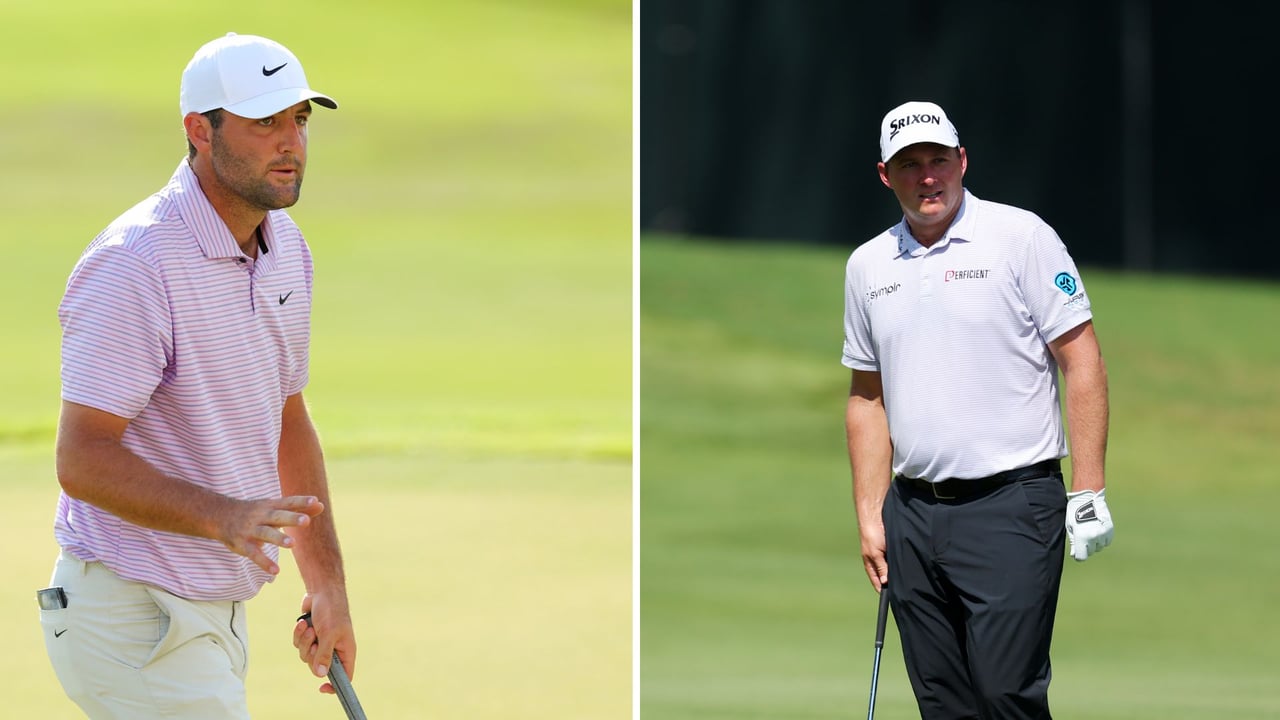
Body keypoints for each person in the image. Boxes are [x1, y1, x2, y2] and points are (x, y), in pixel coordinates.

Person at [38, 32, 353, 718]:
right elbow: (81, 456)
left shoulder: (286, 249)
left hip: (212, 614)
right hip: (131, 616)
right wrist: (225, 517)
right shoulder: (136, 264)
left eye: (298, 120)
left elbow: (286, 418)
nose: (290, 142)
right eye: (263, 121)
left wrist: (327, 584)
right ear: (199, 131)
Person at [842, 100, 1114, 719]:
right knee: (944, 702)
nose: (928, 177)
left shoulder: (1021, 238)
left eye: (939, 160)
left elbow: (1083, 361)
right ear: (886, 174)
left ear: (962, 161)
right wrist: (870, 511)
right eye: (911, 165)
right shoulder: (868, 266)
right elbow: (867, 397)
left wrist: (1089, 488)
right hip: (911, 513)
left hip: (1012, 505)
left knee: (1004, 692)